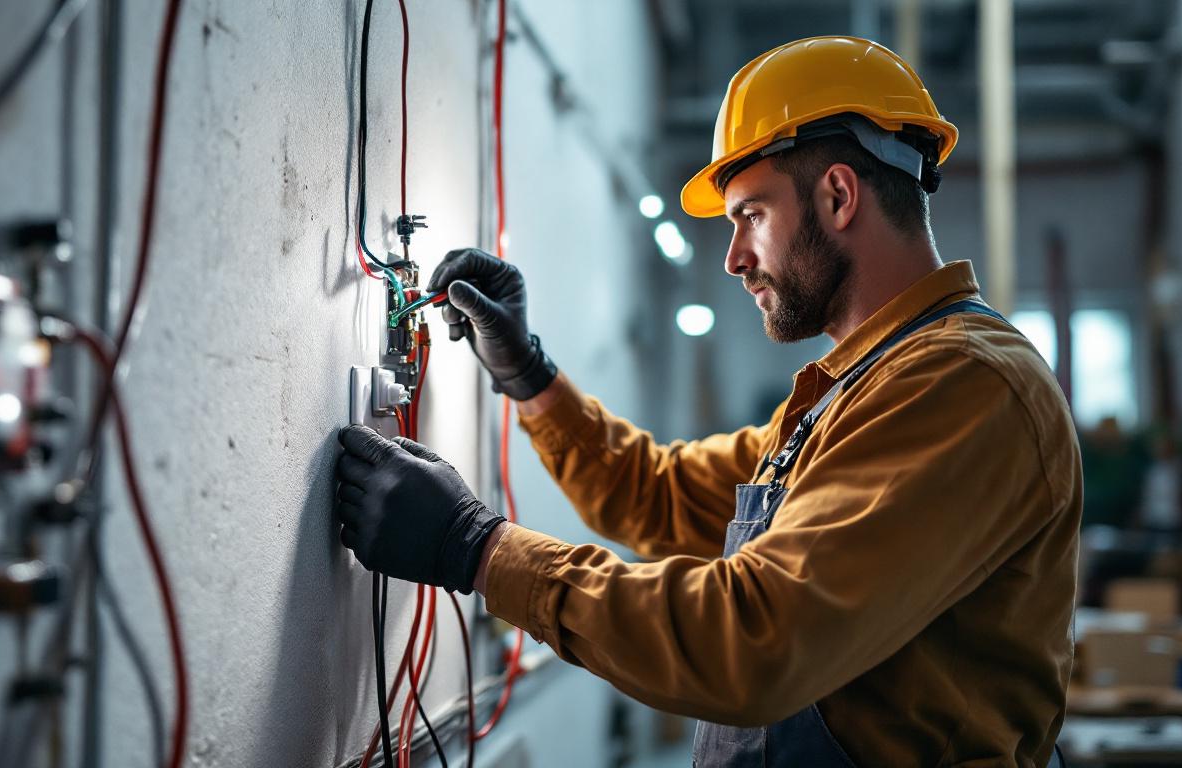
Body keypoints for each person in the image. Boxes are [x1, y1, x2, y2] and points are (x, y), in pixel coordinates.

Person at [334, 36, 1080, 766]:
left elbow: (757, 640)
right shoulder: (857, 391)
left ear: (839, 195)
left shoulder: (961, 385)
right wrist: (528, 374)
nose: (733, 259)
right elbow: (653, 495)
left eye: (750, 215)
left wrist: (477, 549)